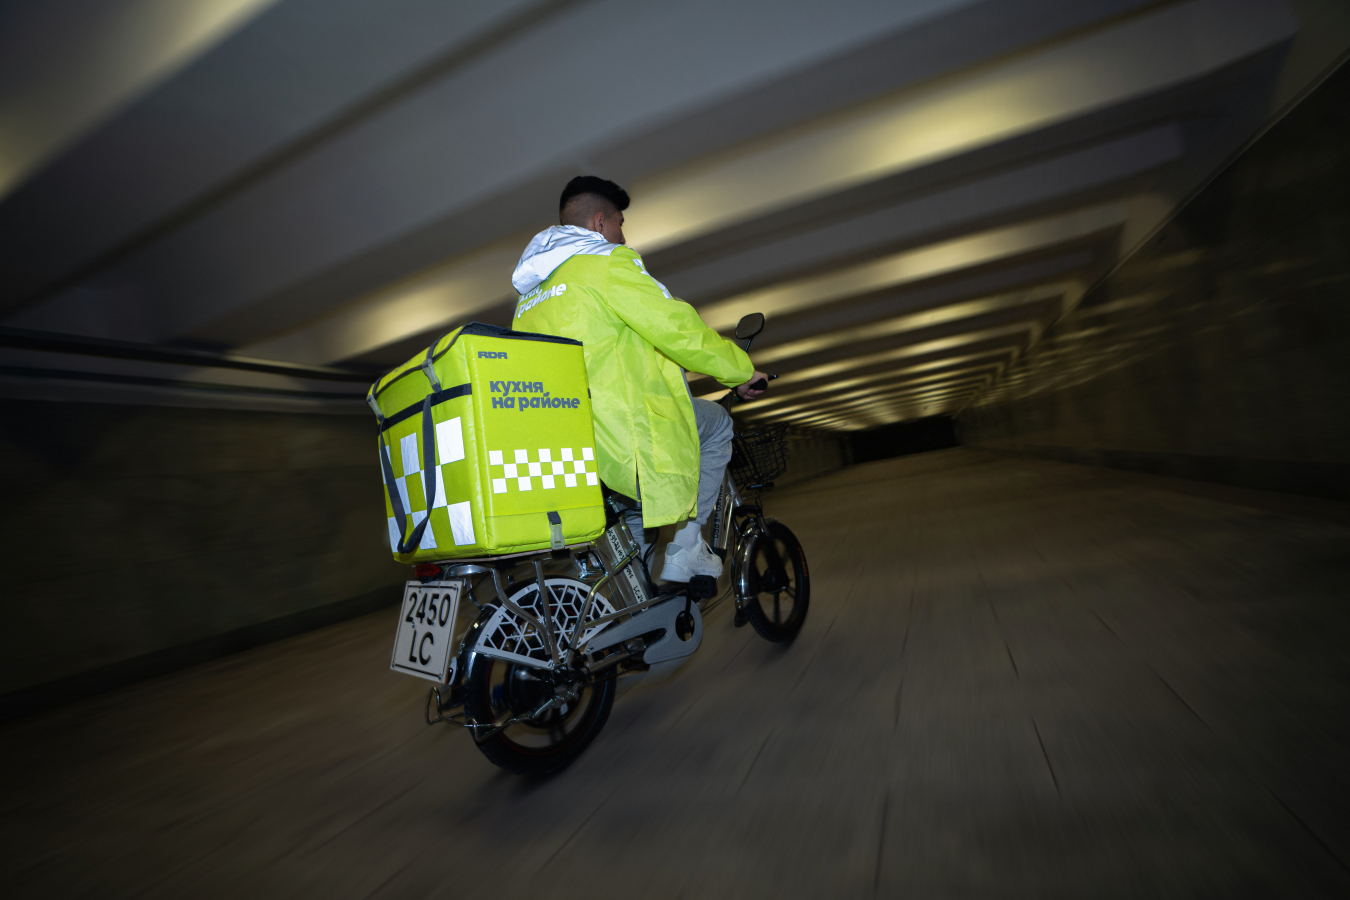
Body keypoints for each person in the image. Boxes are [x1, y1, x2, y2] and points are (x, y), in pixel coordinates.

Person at [510, 175, 767, 582]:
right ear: (599, 222)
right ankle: (688, 549)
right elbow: (674, 327)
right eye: (619, 223)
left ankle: (644, 600)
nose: (623, 236)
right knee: (718, 425)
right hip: (625, 433)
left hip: (571, 447)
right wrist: (740, 371)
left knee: (634, 519)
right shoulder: (607, 262)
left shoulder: (529, 298)